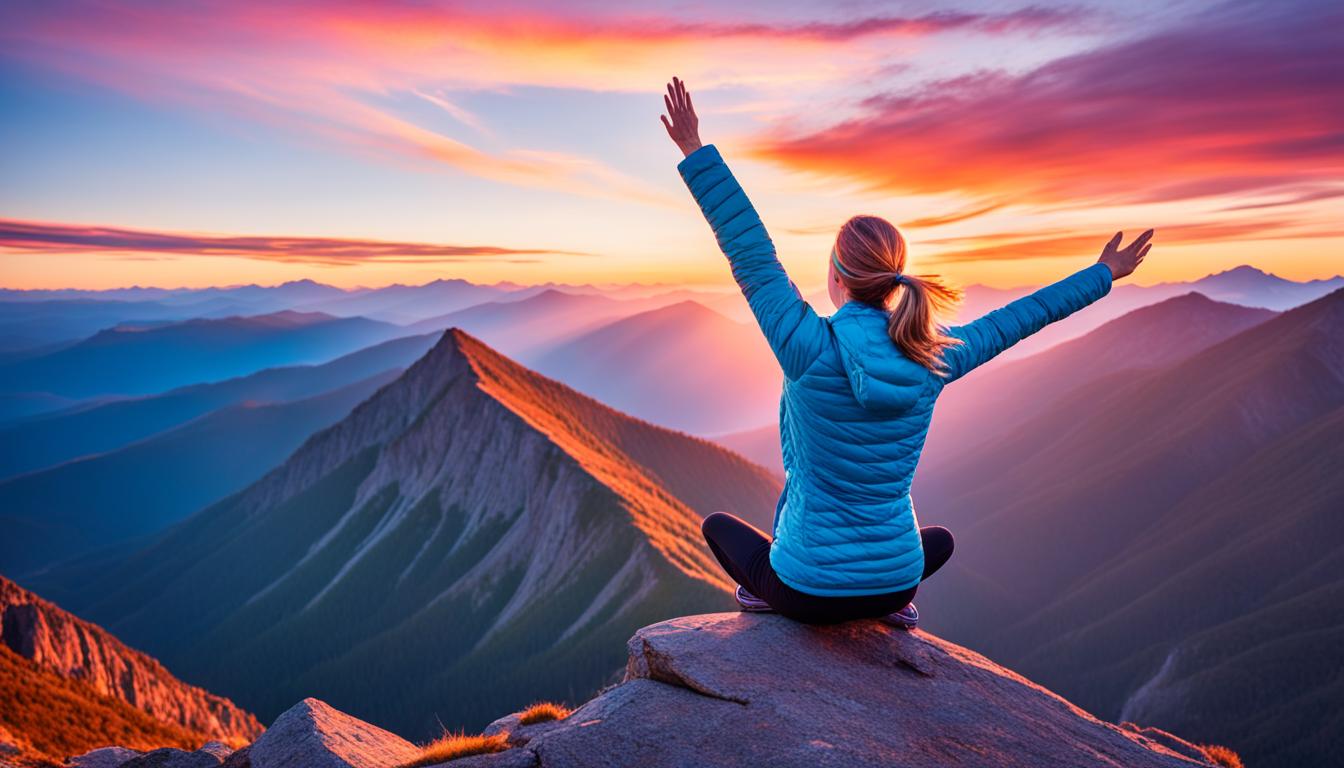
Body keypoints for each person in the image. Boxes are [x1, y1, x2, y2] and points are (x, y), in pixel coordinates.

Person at [660, 76, 1153, 627]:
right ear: (893, 280)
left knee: (718, 528)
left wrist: (695, 151)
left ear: (836, 275)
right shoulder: (933, 355)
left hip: (807, 592)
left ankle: (765, 596)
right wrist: (1104, 273)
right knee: (935, 541)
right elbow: (1024, 317)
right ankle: (889, 597)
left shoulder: (804, 345)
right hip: (894, 586)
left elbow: (750, 251)